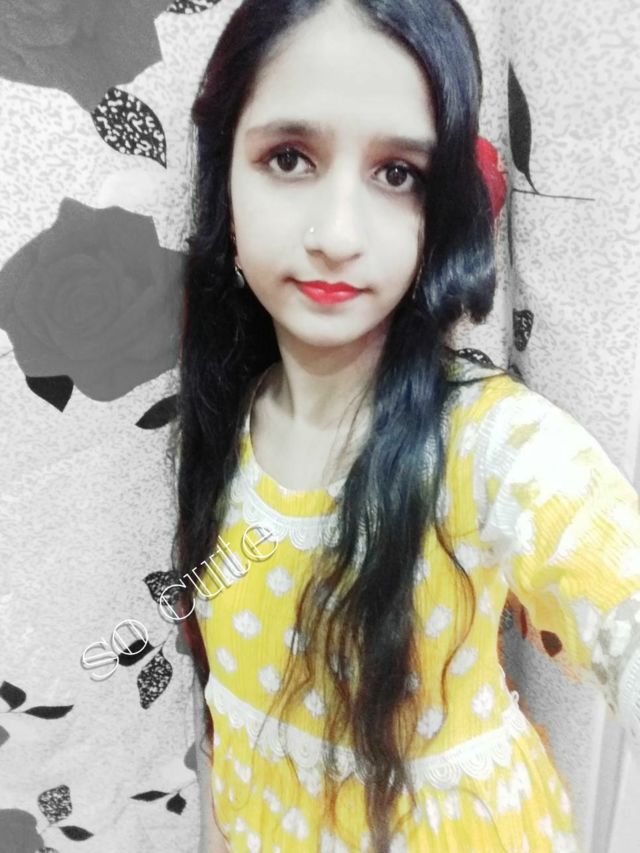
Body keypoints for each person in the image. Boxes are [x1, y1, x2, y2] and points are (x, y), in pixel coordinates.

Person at [167, 0, 640, 849]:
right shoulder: (227, 416)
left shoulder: (484, 446)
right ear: (225, 180)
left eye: (397, 174)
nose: (338, 236)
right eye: (289, 158)